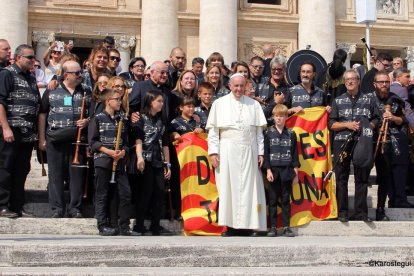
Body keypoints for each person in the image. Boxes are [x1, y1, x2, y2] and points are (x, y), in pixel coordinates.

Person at [206, 73, 267, 236]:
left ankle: (249, 226)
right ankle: (230, 227)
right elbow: (213, 132)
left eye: (242, 86)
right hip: (227, 150)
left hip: (249, 149)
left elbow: (258, 132)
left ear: (246, 85)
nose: (239, 89)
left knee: (249, 188)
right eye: (236, 86)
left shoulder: (254, 105)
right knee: (228, 188)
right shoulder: (219, 104)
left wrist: (261, 153)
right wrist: (213, 152)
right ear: (230, 86)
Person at [38, 60, 91, 218]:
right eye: (77, 73)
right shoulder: (52, 89)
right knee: (55, 175)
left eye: (81, 72)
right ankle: (57, 209)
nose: (80, 75)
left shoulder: (86, 91)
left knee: (76, 176)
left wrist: (87, 121)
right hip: (55, 137)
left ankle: (75, 208)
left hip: (77, 140)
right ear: (66, 75)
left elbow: (93, 114)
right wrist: (41, 138)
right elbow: (42, 114)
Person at [328, 69, 380, 222]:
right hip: (341, 143)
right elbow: (331, 124)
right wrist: (348, 125)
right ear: (345, 82)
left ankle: (361, 213)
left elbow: (377, 119)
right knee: (342, 177)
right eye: (347, 80)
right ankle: (342, 212)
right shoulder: (337, 101)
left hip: (362, 142)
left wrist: (366, 126)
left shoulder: (369, 100)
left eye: (353, 79)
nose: (350, 82)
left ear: (358, 80)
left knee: (362, 177)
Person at [88, 88, 139, 236]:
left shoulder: (121, 119)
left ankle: (124, 226)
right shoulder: (97, 119)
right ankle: (102, 225)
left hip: (120, 162)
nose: (119, 101)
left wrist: (123, 151)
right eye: (116, 99)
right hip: (103, 161)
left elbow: (125, 142)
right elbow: (93, 142)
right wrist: (109, 152)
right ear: (107, 101)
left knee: (125, 193)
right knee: (102, 194)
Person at [0, 44, 40, 218]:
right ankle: (2, 205)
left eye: (33, 58)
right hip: (11, 130)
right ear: (17, 58)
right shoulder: (7, 74)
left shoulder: (31, 78)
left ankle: (17, 205)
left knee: (22, 169)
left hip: (28, 132)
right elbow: (0, 102)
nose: (32, 61)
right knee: (5, 167)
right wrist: (5, 128)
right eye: (29, 57)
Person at [367, 71, 409, 221]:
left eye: (386, 82)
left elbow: (403, 120)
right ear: (375, 84)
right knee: (362, 176)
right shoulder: (367, 99)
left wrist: (394, 118)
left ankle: (380, 209)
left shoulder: (396, 99)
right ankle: (361, 210)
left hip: (387, 143)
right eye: (381, 82)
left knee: (384, 176)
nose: (384, 85)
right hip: (369, 142)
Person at [132, 90, 172, 235]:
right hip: (146, 159)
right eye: (159, 101)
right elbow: (138, 139)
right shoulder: (141, 119)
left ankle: (156, 225)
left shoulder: (162, 121)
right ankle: (139, 225)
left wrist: (168, 164)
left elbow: (166, 144)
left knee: (160, 192)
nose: (162, 104)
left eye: (162, 101)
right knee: (145, 192)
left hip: (158, 160)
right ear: (151, 102)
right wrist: (140, 157)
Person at [264, 104, 299, 237]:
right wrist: (267, 170)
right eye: (276, 116)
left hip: (287, 170)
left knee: (285, 200)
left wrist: (296, 172)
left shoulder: (291, 134)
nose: (279, 119)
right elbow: (265, 153)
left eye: (282, 116)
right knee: (272, 200)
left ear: (286, 117)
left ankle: (286, 227)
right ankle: (272, 227)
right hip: (273, 170)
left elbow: (295, 154)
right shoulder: (267, 133)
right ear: (273, 117)